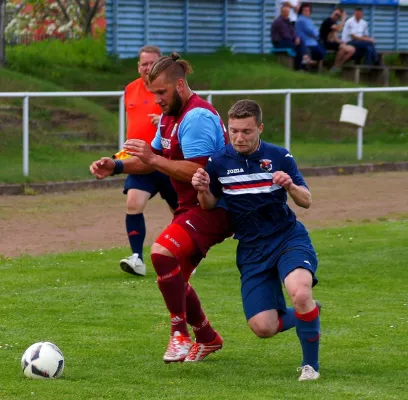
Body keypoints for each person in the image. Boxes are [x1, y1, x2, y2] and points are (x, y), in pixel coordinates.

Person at [90, 53, 232, 363]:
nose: (156, 100)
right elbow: (148, 160)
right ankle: (207, 337)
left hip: (214, 207)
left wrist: (154, 160)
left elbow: (197, 172)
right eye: (153, 93)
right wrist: (115, 165)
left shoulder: (196, 117)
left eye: (161, 92)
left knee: (161, 253)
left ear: (180, 85)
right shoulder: (170, 116)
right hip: (190, 207)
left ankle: (179, 334)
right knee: (176, 276)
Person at [191, 99, 321, 381]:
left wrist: (289, 185)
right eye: (234, 130)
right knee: (263, 327)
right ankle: (309, 310)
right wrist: (202, 190)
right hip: (252, 248)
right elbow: (210, 205)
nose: (239, 137)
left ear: (260, 128)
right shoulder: (219, 162)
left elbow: (307, 201)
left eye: (247, 131)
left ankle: (310, 367)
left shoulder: (280, 156)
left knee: (299, 291)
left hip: (287, 237)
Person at [115, 45, 179, 277]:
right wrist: (123, 153)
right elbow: (133, 126)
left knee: (180, 211)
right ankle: (137, 258)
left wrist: (164, 119)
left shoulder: (170, 89)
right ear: (138, 66)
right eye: (144, 63)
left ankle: (186, 254)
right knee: (133, 203)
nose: (147, 67)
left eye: (152, 63)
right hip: (141, 160)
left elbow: (184, 118)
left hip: (168, 160)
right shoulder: (130, 89)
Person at [271, 5, 312, 70]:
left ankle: (304, 59)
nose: (287, 13)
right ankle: (300, 65)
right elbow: (285, 35)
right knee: (297, 46)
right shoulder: (279, 22)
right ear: (281, 12)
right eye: (285, 12)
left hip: (287, 40)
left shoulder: (287, 21)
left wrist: (296, 38)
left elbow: (293, 32)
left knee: (300, 40)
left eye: (288, 12)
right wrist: (294, 40)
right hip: (279, 42)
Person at [319, 8, 355, 72]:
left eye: (338, 15)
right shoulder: (328, 21)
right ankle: (335, 67)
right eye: (335, 14)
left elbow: (335, 36)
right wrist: (343, 19)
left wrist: (340, 41)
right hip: (324, 42)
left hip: (331, 42)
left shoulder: (334, 22)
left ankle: (338, 65)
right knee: (342, 47)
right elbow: (338, 29)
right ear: (333, 12)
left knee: (352, 49)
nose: (336, 16)